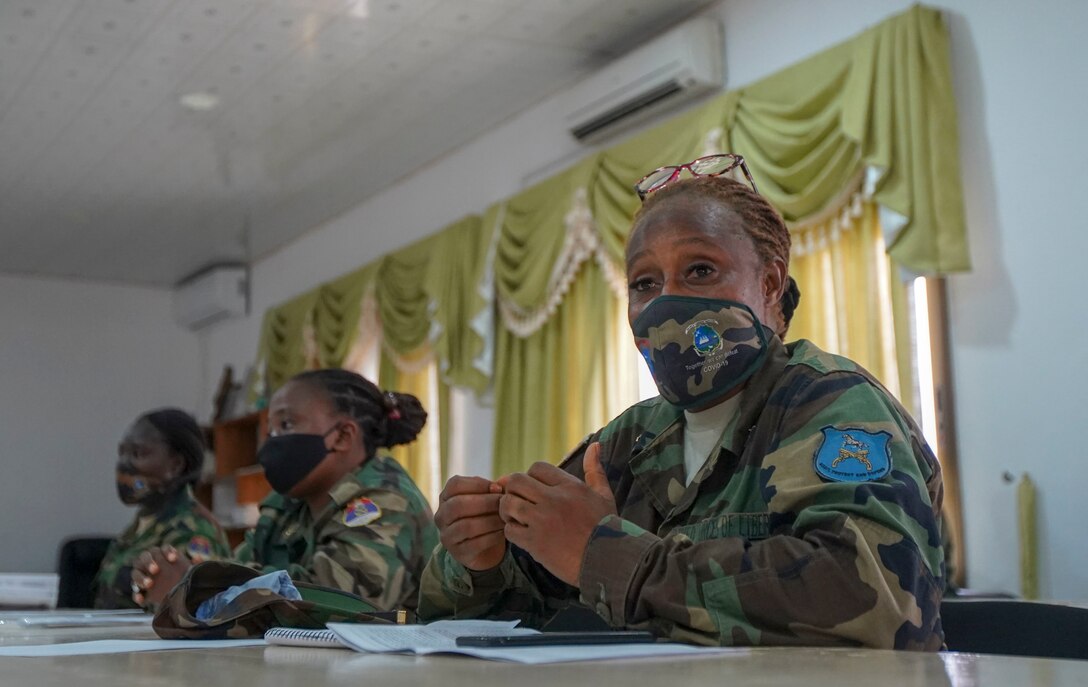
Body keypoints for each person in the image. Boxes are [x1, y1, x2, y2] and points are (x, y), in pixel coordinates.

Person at [419, 155, 945, 650]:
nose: (666, 300)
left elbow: (874, 602)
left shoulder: (829, 403)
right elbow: (477, 618)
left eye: (700, 270)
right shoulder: (628, 443)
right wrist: (477, 560)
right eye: (644, 283)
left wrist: (600, 554)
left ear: (769, 283)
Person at [131, 369, 439, 612]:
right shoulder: (287, 504)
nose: (271, 443)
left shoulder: (384, 501)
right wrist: (178, 577)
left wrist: (196, 587)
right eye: (271, 430)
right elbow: (239, 569)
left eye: (287, 425)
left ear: (343, 435)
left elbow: (335, 602)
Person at [95, 408, 231, 609]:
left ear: (176, 465)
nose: (124, 464)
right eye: (122, 452)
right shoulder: (140, 526)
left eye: (137, 453)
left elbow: (184, 613)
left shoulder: (194, 530)